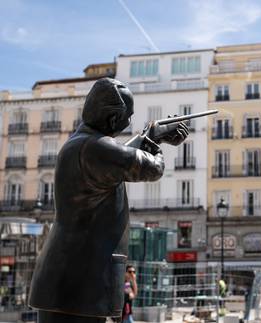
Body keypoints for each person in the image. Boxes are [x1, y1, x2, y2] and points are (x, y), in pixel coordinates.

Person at [29, 78, 188, 322]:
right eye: (128, 117)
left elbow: (119, 157)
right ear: (113, 119)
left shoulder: (80, 144)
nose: (128, 123)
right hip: (82, 282)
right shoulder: (94, 148)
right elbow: (153, 168)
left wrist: (150, 136)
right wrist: (155, 141)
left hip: (64, 279)